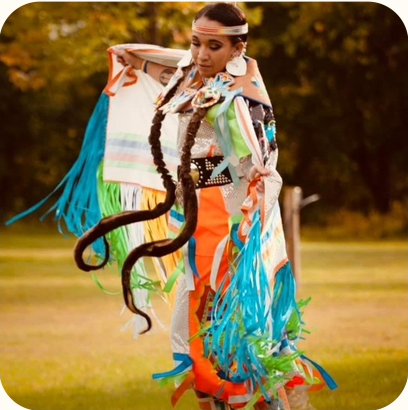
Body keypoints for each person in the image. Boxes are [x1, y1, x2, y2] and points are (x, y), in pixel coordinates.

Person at [9, 3, 336, 409]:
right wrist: (137, 63)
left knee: (242, 339)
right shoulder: (196, 77)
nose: (201, 54)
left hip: (235, 234)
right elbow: (172, 70)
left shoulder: (244, 98)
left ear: (239, 48)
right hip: (199, 229)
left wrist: (246, 224)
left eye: (213, 45)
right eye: (196, 42)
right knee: (199, 340)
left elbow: (261, 171)